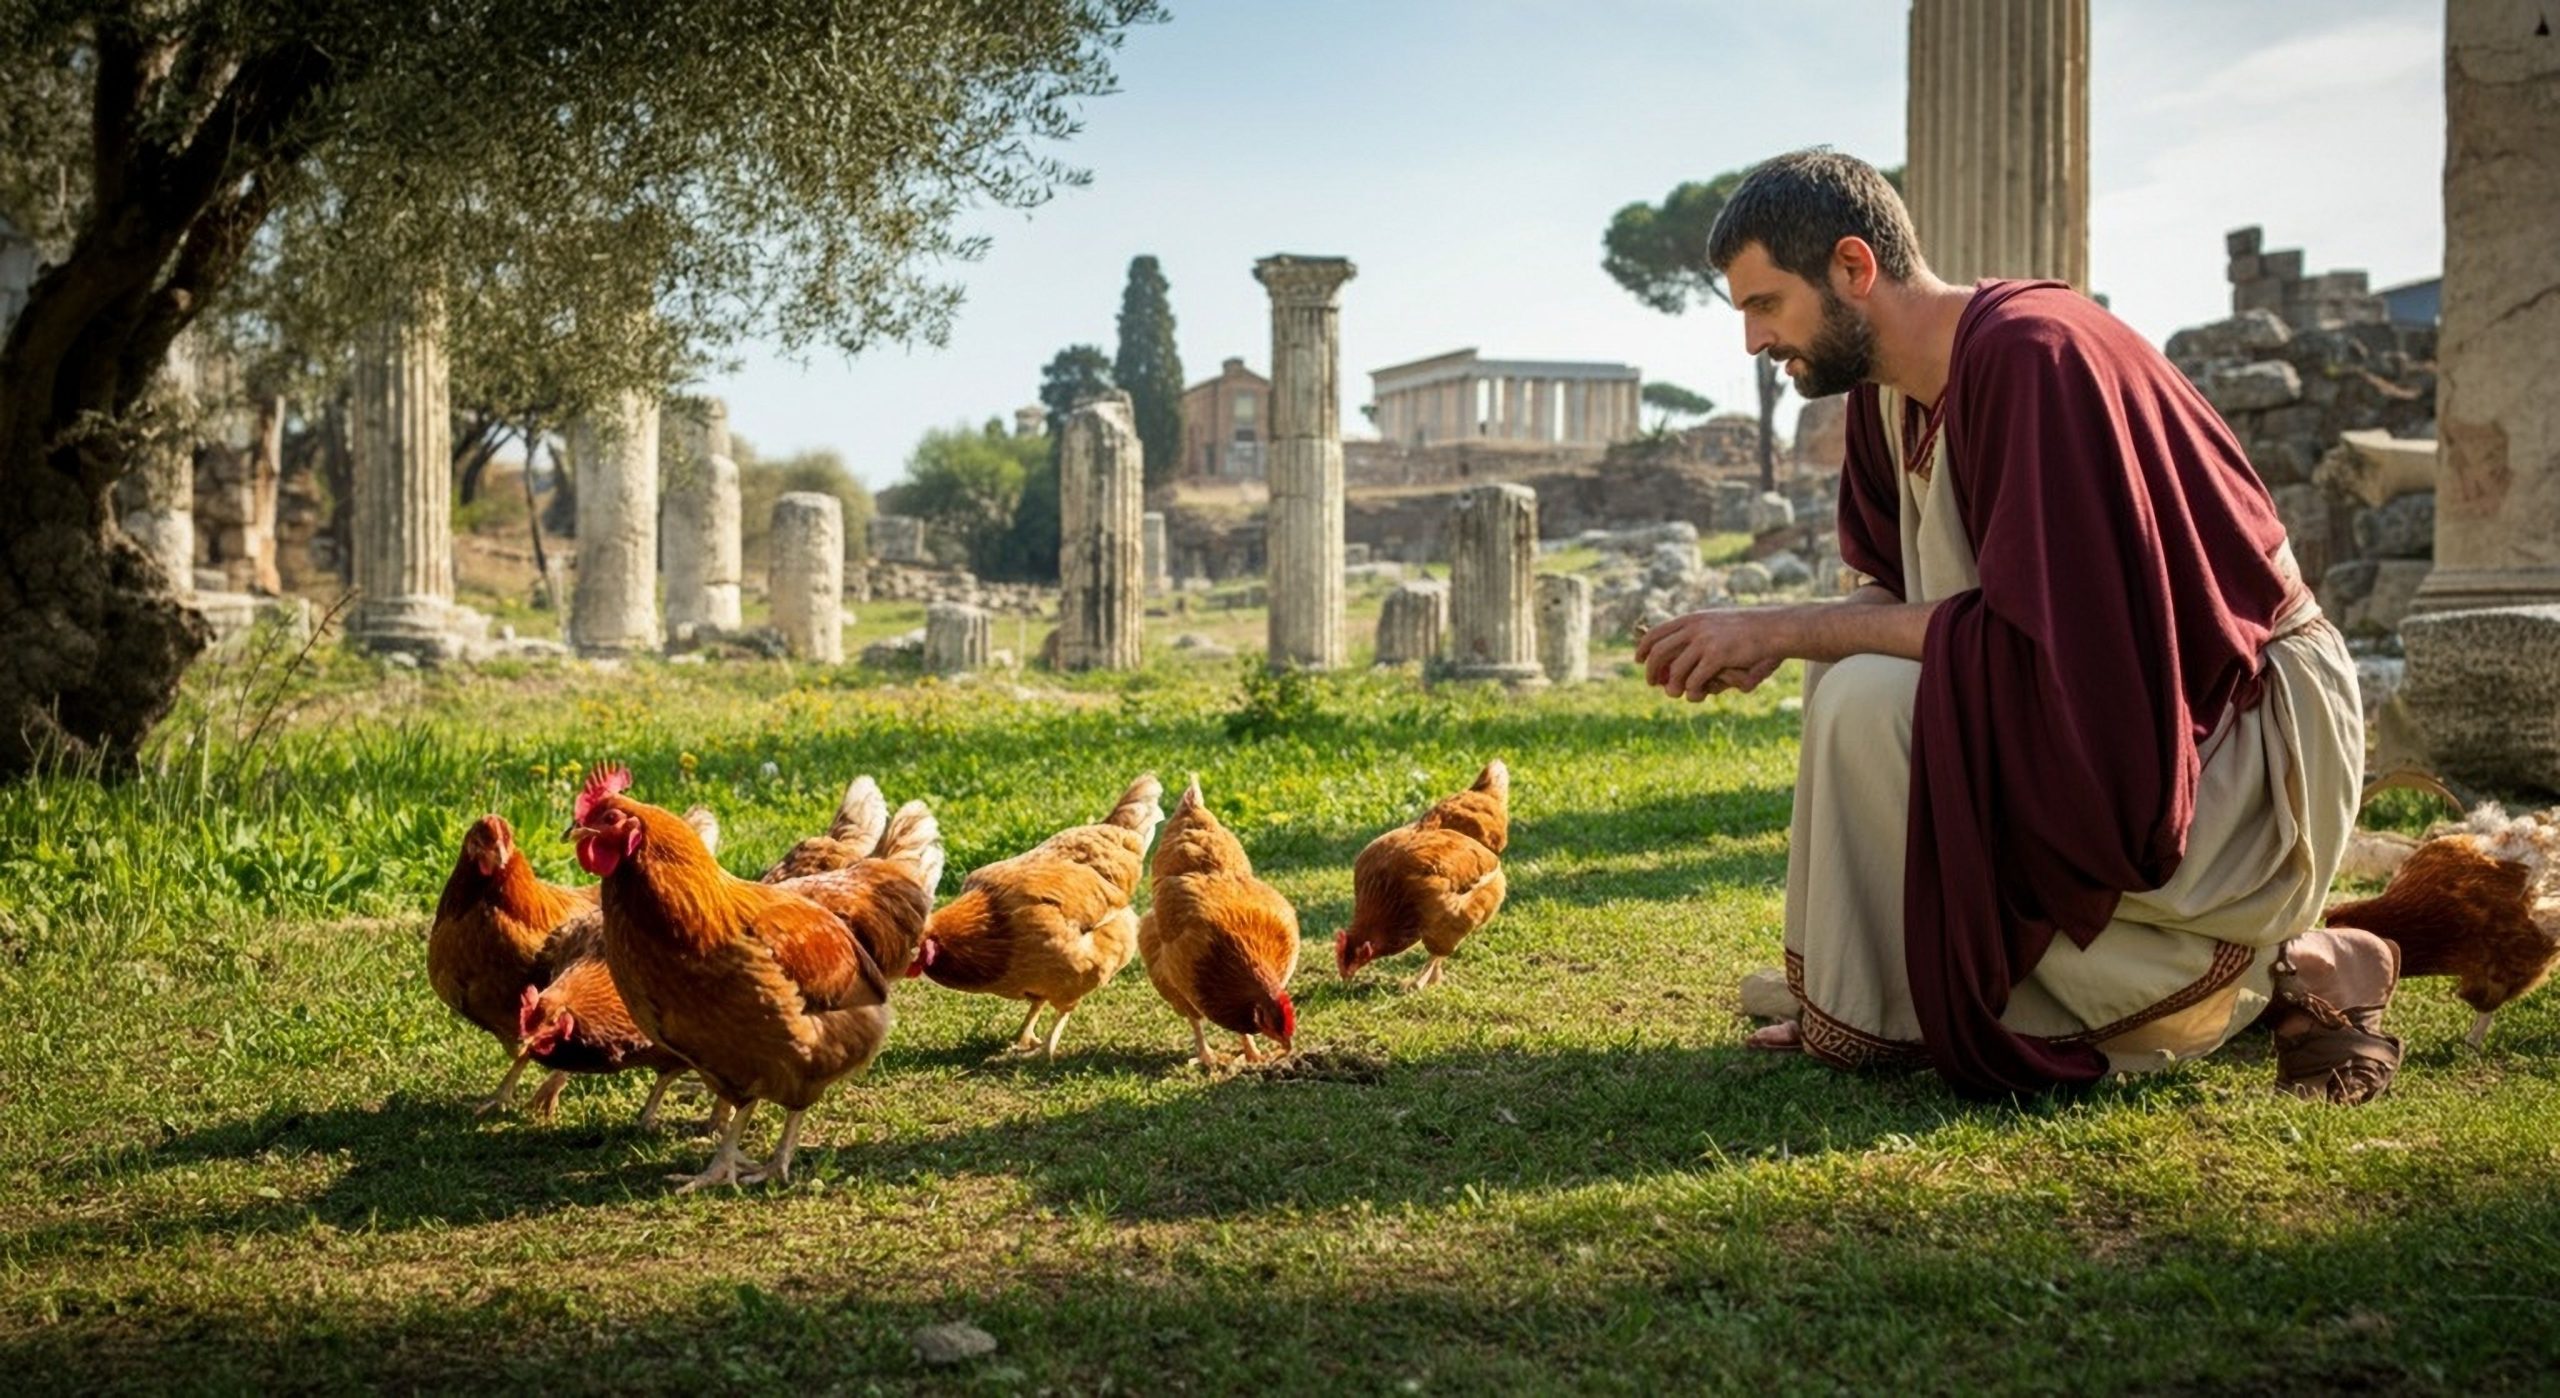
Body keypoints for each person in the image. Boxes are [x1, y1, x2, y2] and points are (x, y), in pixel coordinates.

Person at [1634, 149, 2398, 1102]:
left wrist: (1794, 627)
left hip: (2228, 723)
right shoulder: (1882, 394)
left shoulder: (2037, 358)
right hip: (2078, 686)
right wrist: (1785, 634)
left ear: (1853, 268)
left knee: (1862, 683)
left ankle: (2286, 963)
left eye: (1765, 304)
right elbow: (1898, 596)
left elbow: (2076, 649)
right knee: (1852, 684)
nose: (1753, 340)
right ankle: (1874, 1002)